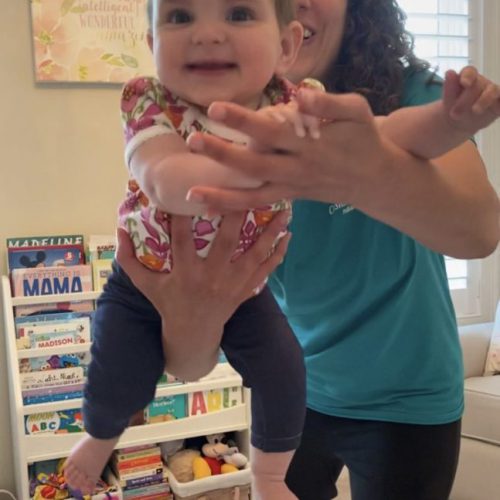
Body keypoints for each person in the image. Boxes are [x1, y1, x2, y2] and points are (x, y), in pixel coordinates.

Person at [114, 1, 500, 500]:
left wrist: (368, 169)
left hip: (408, 399)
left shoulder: (395, 93)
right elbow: (191, 363)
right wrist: (189, 317)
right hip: (294, 391)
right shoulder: (193, 124)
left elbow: (480, 231)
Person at [64, 1, 306, 498]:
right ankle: (100, 436)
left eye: (238, 13)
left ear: (285, 46)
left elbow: (375, 145)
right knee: (115, 368)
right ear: (153, 47)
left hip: (245, 287)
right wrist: (272, 170)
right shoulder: (150, 102)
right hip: (141, 280)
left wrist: (443, 124)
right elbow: (168, 182)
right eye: (179, 16)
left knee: (284, 368)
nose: (207, 33)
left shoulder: (296, 105)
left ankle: (269, 474)